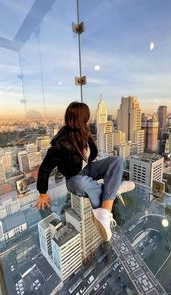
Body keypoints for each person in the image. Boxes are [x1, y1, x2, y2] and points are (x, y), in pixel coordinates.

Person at [33, 101, 135, 241]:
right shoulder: (61, 144)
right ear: (80, 119)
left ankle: (105, 207)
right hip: (74, 178)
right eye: (86, 118)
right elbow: (45, 169)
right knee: (81, 183)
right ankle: (112, 192)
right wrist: (42, 193)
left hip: (88, 169)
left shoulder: (84, 133)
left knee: (116, 161)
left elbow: (90, 156)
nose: (88, 120)